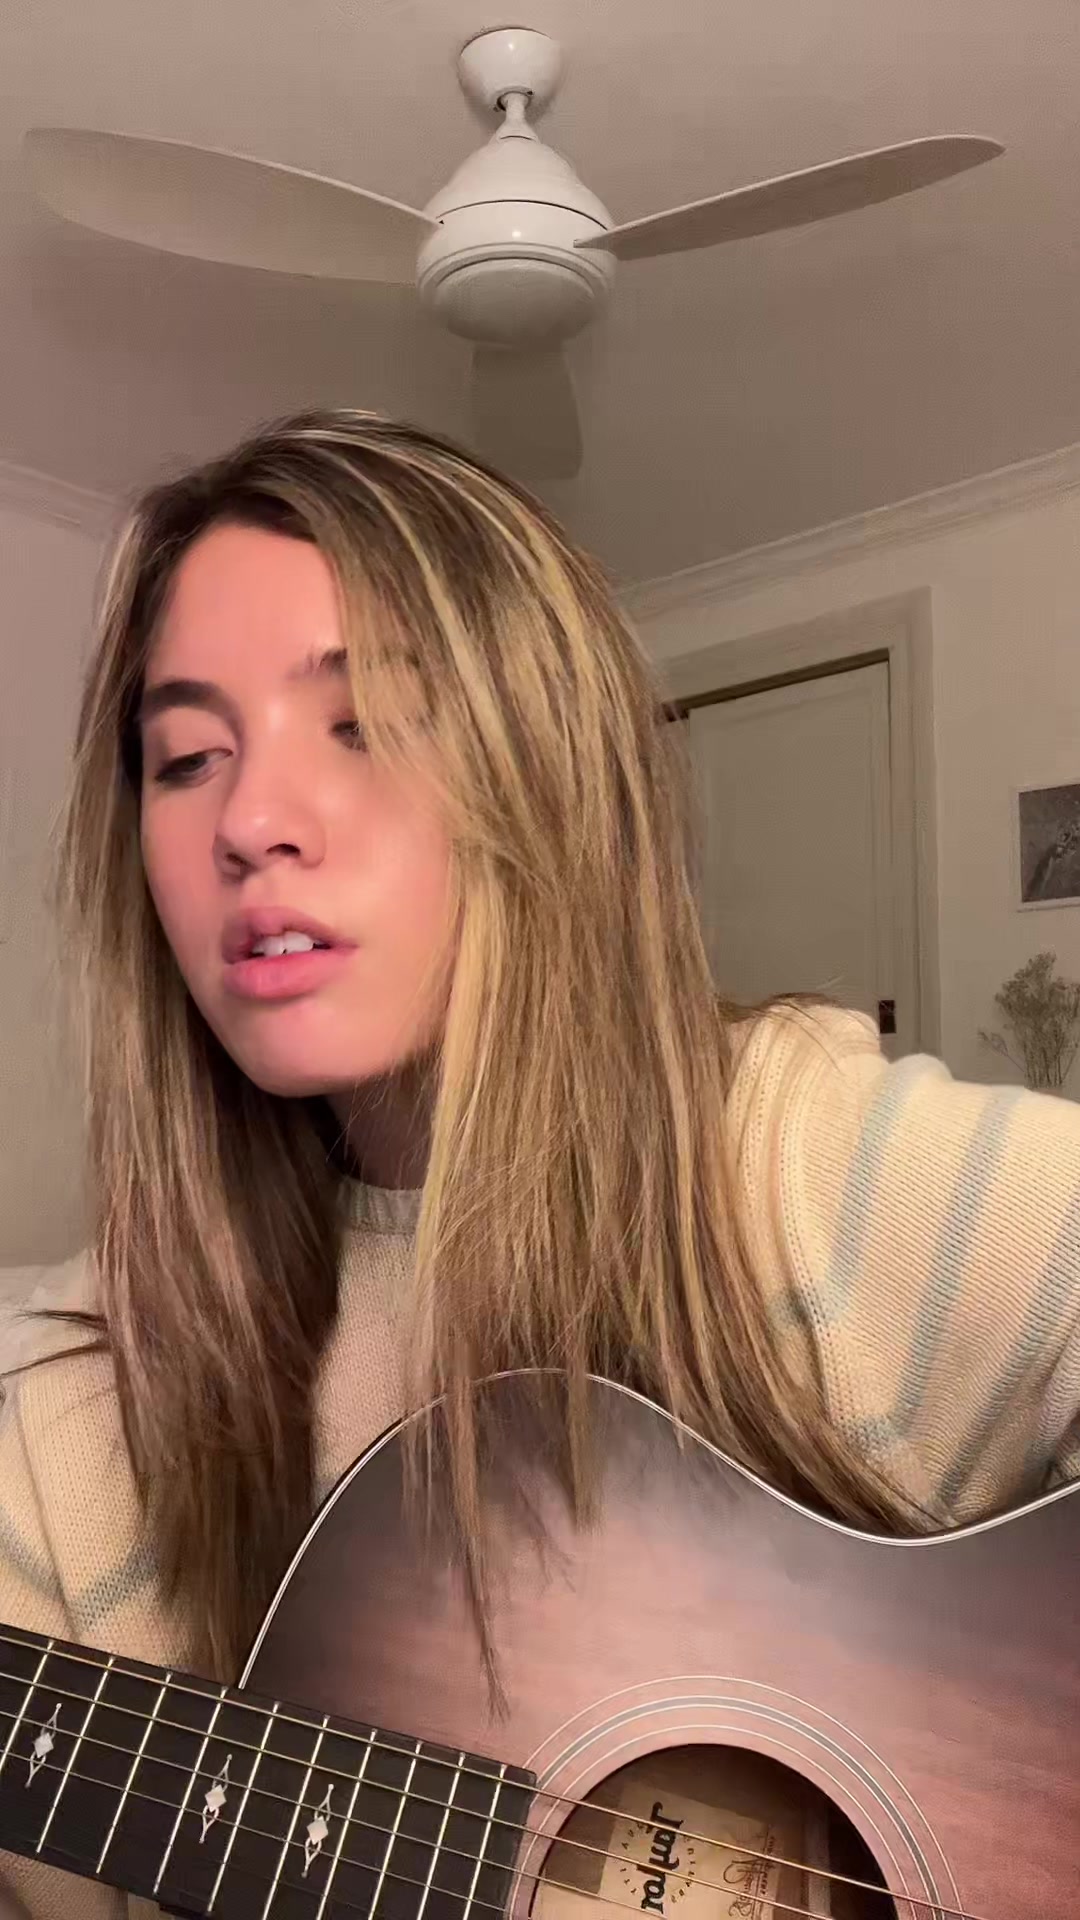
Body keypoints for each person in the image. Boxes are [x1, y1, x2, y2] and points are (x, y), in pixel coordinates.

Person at [1, 409, 1078, 1919]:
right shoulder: (62, 1433)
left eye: (366, 723)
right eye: (185, 759)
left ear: (548, 773)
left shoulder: (785, 1152)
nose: (250, 822)